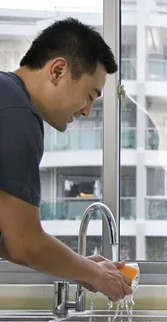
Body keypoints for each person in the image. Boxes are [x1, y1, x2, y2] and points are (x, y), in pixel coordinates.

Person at [0, 18, 132, 301]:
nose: (87, 111)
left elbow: (9, 241)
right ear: (58, 70)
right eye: (89, 95)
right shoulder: (17, 114)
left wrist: (83, 268)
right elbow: (24, 244)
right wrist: (95, 274)